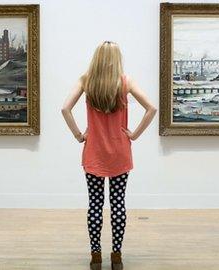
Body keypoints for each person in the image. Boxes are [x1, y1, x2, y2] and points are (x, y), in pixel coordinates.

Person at [61, 41, 156, 270]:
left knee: (94, 204)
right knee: (118, 204)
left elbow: (65, 108)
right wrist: (134, 135)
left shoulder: (86, 81)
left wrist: (78, 135)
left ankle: (95, 256)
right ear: (116, 59)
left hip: (93, 151)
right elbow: (151, 108)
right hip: (120, 153)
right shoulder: (125, 82)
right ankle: (116, 256)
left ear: (97, 58)